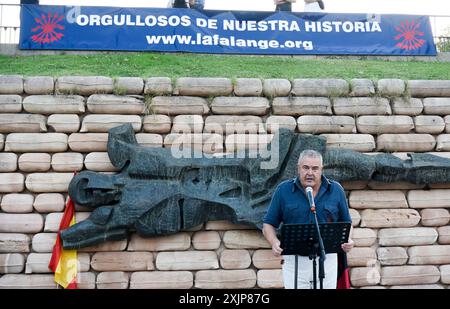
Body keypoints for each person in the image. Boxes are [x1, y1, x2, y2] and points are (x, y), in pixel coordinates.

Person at [262, 149, 354, 289]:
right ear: (298, 168)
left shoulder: (336, 190)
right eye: (306, 167)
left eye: (315, 168)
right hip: (295, 261)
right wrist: (274, 242)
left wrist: (348, 240)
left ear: (321, 170)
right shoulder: (283, 190)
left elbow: (347, 223)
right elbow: (268, 224)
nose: (310, 173)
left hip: (327, 259)